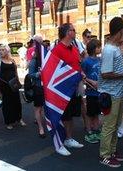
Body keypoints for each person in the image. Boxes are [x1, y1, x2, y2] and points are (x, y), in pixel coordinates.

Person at [98, 17, 123, 168]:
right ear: (119, 32)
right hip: (111, 95)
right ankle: (104, 155)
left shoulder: (114, 48)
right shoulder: (109, 50)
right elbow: (105, 74)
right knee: (109, 126)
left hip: (116, 94)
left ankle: (111, 151)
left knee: (115, 124)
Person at [51, 23, 84, 156]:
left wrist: (82, 73)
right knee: (63, 116)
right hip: (63, 89)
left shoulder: (75, 48)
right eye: (72, 30)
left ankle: (69, 138)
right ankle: (61, 141)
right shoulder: (57, 49)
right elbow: (53, 69)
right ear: (66, 33)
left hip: (75, 86)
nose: (75, 31)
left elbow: (78, 64)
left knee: (70, 115)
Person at [0, 44, 26, 129]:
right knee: (7, 104)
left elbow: (15, 72)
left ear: (7, 51)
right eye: (0, 50)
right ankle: (9, 122)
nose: (1, 51)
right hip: (4, 86)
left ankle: (19, 118)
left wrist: (18, 83)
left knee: (17, 102)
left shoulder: (12, 60)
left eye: (3, 50)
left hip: (14, 85)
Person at [81, 39, 102, 144]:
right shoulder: (86, 61)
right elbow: (82, 76)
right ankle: (89, 132)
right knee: (90, 113)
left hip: (99, 92)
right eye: (98, 47)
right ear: (93, 49)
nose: (100, 49)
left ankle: (96, 130)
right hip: (90, 92)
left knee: (97, 113)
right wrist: (91, 81)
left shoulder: (100, 60)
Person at [28, 35, 46, 138]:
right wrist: (38, 74)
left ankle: (41, 122)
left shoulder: (45, 56)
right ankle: (41, 128)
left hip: (45, 86)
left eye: (41, 43)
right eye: (38, 43)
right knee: (38, 108)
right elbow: (30, 74)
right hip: (38, 86)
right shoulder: (34, 59)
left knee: (43, 107)